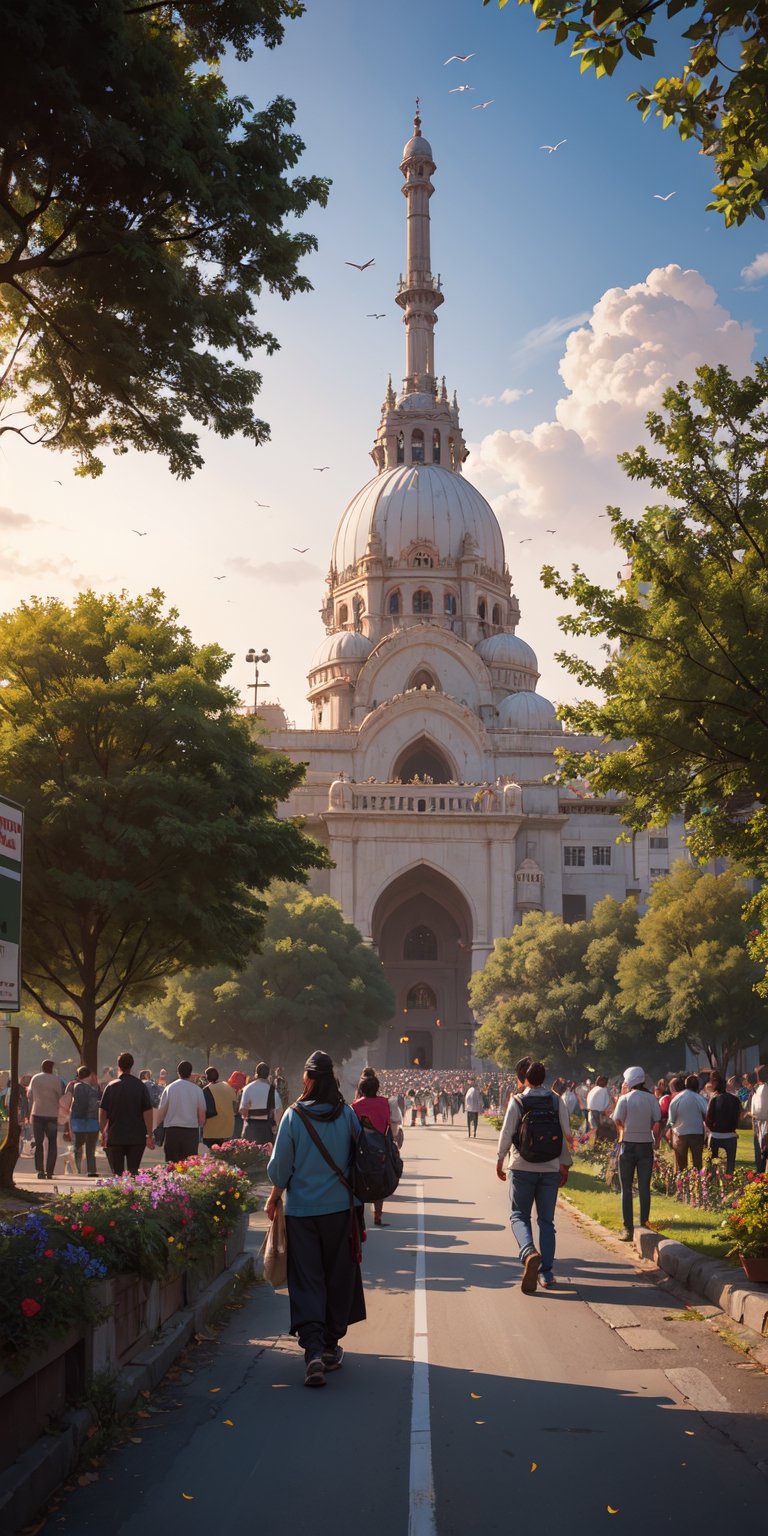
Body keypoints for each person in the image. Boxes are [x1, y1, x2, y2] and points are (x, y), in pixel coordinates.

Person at [266, 1050, 366, 1388]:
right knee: (338, 1276)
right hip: (341, 1212)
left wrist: (274, 1195)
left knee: (307, 1279)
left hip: (302, 1213)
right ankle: (329, 1346)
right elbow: (359, 1161)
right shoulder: (348, 1116)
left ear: (308, 1080)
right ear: (332, 1080)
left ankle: (311, 1352)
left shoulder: (293, 1117)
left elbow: (279, 1169)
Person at [496, 1061, 572, 1292]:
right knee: (547, 1222)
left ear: (525, 1079)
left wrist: (500, 1159)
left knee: (519, 1215)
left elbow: (508, 1132)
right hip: (549, 1167)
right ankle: (547, 1274)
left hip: (522, 1166)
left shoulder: (518, 1101)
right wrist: (565, 1165)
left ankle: (528, 1251)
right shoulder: (555, 1100)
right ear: (544, 1078)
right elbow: (566, 1134)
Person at [612, 1066, 661, 1240]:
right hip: (646, 1145)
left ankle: (628, 1228)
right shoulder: (651, 1099)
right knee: (644, 1187)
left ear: (630, 1080)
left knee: (626, 1188)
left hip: (627, 1145)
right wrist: (656, 1139)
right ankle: (645, 1225)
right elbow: (657, 1120)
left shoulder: (624, 1099)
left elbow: (618, 1119)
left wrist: (623, 1132)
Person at [99, 1052, 155, 1175]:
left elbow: (103, 1112)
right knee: (134, 1170)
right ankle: (132, 1192)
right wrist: (149, 1134)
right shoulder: (140, 1086)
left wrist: (103, 1132)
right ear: (132, 1065)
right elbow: (148, 1112)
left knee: (117, 1172)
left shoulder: (111, 1087)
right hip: (136, 1136)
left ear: (118, 1066)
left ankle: (119, 1193)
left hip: (115, 1136)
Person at [352, 1069, 392, 1227]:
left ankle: (360, 1217)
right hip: (380, 1148)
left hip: (361, 1149)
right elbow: (388, 1122)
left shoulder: (355, 1106)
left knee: (360, 1182)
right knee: (379, 1181)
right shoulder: (384, 1102)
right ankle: (378, 1216)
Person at [155, 1060, 207, 1162]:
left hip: (172, 1131)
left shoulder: (169, 1088)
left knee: (172, 1164)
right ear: (190, 1073)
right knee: (189, 1164)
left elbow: (161, 1112)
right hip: (191, 1132)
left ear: (178, 1072)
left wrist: (154, 1131)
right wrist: (200, 1127)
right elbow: (201, 1116)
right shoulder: (197, 1090)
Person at [28, 1060, 65, 1180]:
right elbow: (61, 1095)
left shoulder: (35, 1078)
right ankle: (50, 1171)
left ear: (41, 1067)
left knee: (39, 1143)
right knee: (52, 1144)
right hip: (51, 1115)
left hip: (37, 1113)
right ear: (52, 1068)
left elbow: (29, 1095)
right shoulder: (57, 1080)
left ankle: (40, 1170)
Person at [668, 1073, 708, 1170]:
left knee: (681, 1166)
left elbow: (671, 1119)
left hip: (680, 1134)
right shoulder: (700, 1098)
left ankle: (681, 1183)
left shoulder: (677, 1098)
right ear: (698, 1086)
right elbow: (707, 1114)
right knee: (697, 1164)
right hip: (697, 1133)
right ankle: (698, 1183)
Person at [705, 1072, 741, 1175]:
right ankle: (729, 1183)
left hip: (716, 1135)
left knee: (712, 1165)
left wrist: (713, 1128)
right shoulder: (735, 1100)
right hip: (730, 1135)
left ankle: (712, 1182)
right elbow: (737, 1118)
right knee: (730, 1166)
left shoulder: (715, 1099)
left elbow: (708, 1119)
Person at [70, 1066, 101, 1176]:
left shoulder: (75, 1086)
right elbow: (92, 1105)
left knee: (78, 1145)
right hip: (91, 1121)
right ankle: (91, 1170)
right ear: (89, 1076)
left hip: (79, 1122)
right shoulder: (89, 1089)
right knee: (90, 1148)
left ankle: (77, 1169)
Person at [240, 1062, 282, 1145]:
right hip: (266, 1129)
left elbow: (242, 1111)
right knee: (266, 1155)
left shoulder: (247, 1088)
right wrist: (276, 1124)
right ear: (268, 1075)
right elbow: (279, 1110)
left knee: (250, 1155)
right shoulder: (272, 1090)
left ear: (256, 1074)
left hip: (250, 1128)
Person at [202, 1066, 237, 1148]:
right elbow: (235, 1107)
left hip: (211, 1131)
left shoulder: (207, 1090)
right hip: (228, 1130)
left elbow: (205, 1111)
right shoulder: (228, 1087)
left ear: (207, 1077)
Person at [751, 1064, 768, 1174]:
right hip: (759, 1124)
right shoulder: (759, 1089)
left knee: (762, 1154)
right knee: (760, 1155)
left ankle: (761, 1177)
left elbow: (761, 1111)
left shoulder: (764, 1089)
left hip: (764, 1125)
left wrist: (751, 1114)